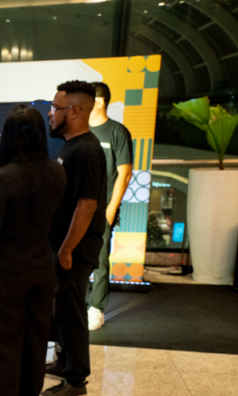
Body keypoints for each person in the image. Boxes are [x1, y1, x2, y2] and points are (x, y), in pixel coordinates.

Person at [0, 105, 66, 396]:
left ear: (7, 136)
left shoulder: (3, 177)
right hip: (42, 269)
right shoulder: (57, 172)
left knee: (1, 343)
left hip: (6, 274)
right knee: (35, 342)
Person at [41, 81, 107, 396]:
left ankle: (76, 379)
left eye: (56, 108)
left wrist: (67, 248)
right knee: (63, 308)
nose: (51, 114)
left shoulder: (87, 151)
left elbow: (87, 205)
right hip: (63, 245)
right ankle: (64, 361)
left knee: (72, 310)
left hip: (75, 248)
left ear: (76, 111)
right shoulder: (71, 147)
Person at [86, 82, 133, 330]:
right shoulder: (79, 131)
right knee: (73, 257)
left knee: (100, 258)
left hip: (103, 208)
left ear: (99, 102)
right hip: (77, 208)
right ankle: (77, 304)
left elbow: (125, 173)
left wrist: (112, 207)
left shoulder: (117, 132)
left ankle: (96, 308)